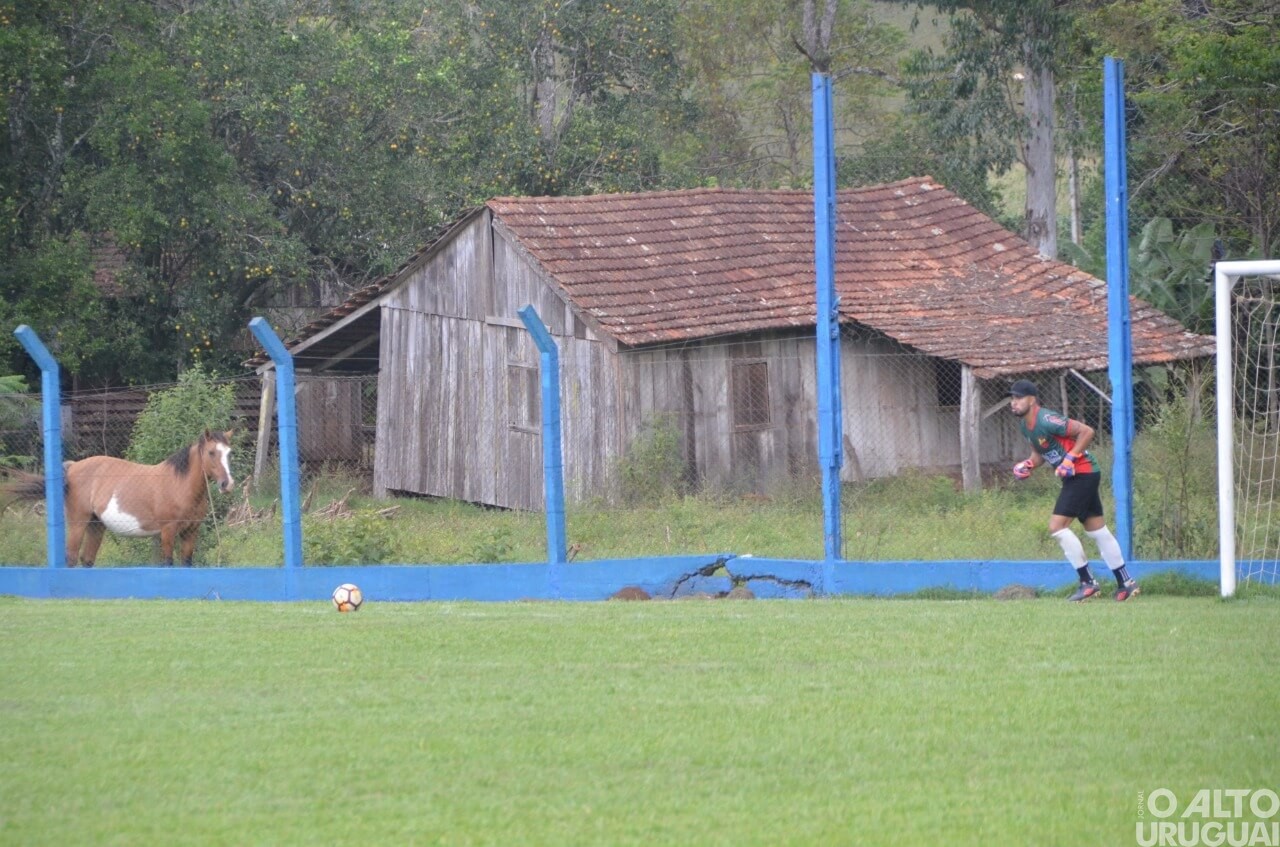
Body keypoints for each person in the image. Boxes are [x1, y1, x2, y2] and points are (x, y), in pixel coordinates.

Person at [1007, 379, 1140, 602]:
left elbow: (1087, 431)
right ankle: (1126, 583)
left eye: (1018, 398)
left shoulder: (1047, 419)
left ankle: (1088, 583)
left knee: (1056, 527)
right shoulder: (1025, 426)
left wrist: (1069, 459)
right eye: (1012, 398)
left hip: (1082, 473)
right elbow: (1039, 455)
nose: (1013, 402)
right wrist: (1027, 465)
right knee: (1096, 530)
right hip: (1079, 475)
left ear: (1032, 400)